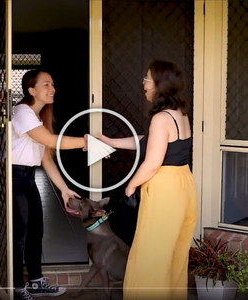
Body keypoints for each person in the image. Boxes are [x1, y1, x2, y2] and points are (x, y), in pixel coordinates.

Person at [98, 60, 198, 300]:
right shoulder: (179, 114)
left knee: (150, 257)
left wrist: (129, 187)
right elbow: (150, 140)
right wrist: (111, 142)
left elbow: (152, 163)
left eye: (147, 78)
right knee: (173, 256)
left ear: (160, 84)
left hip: (165, 191)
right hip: (184, 186)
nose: (143, 83)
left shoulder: (161, 118)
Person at [12, 68, 86, 300]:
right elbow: (50, 140)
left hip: (28, 179)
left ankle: (36, 282)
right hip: (14, 178)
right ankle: (17, 287)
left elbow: (46, 157)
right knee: (19, 236)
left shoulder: (39, 117)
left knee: (36, 233)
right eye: (46, 84)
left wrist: (63, 189)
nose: (52, 88)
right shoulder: (22, 111)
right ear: (31, 90)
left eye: (53, 84)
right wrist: (87, 142)